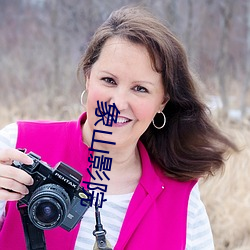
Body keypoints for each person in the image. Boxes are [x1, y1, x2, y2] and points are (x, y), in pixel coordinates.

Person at [0, 6, 237, 250]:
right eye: (109, 81)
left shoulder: (181, 199)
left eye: (140, 89)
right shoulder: (17, 145)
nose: (118, 103)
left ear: (162, 102)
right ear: (88, 77)